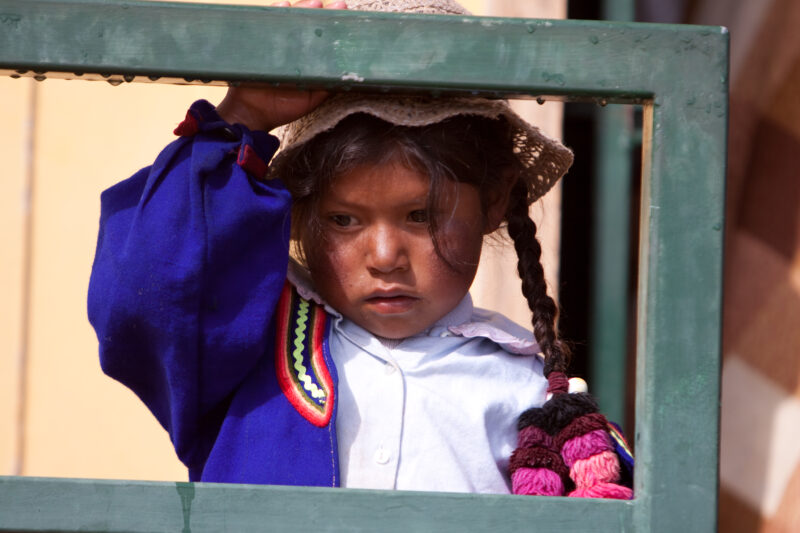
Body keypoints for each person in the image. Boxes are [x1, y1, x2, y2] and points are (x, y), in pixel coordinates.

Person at [88, 0, 632, 498]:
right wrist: (244, 115)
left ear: (495, 200)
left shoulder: (535, 399)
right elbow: (144, 295)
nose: (384, 256)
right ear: (300, 213)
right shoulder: (245, 347)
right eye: (343, 219)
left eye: (420, 216)